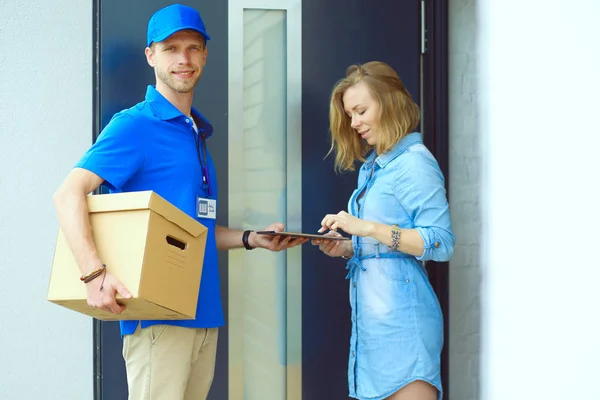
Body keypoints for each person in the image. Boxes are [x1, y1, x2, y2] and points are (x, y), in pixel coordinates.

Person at [52, 4, 305, 399]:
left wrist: (250, 238)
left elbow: (192, 229)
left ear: (205, 55)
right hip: (157, 319)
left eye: (193, 47)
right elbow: (68, 193)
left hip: (203, 316)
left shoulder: (196, 134)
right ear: (150, 55)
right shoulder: (134, 125)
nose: (183, 59)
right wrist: (93, 275)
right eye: (171, 48)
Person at [312, 61, 455, 400]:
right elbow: (386, 243)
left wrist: (368, 228)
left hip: (405, 329)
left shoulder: (415, 162)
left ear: (389, 103)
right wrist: (349, 246)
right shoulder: (375, 167)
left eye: (361, 111)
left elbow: (441, 242)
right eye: (349, 115)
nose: (354, 123)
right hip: (374, 331)